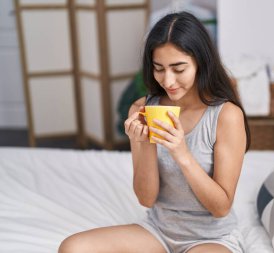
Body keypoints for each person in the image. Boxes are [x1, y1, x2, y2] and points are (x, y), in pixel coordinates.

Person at [58, 11, 250, 253]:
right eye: (159, 68)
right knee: (73, 248)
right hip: (158, 232)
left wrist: (182, 154)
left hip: (211, 238)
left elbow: (221, 207)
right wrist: (145, 143)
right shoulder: (142, 108)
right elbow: (146, 199)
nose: (167, 81)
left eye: (178, 69)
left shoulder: (226, 116)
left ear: (201, 63)